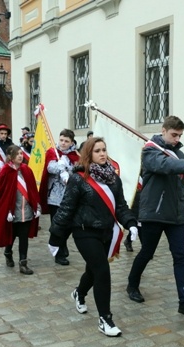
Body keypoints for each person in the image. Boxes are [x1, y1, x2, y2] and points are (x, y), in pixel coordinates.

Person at [50, 136, 138, 336]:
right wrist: (55, 237)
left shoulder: (113, 178)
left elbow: (121, 206)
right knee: (102, 271)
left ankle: (79, 293)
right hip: (83, 231)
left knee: (93, 270)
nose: (102, 154)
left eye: (104, 150)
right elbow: (66, 208)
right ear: (88, 154)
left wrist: (131, 223)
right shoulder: (78, 178)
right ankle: (105, 319)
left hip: (106, 231)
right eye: (97, 150)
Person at [125, 116, 184, 317]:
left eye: (180, 135)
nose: (177, 139)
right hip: (154, 213)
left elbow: (178, 179)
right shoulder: (150, 150)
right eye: (174, 134)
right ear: (163, 130)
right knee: (147, 252)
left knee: (181, 257)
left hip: (176, 214)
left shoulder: (179, 154)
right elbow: (163, 165)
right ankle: (132, 285)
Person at [0, 145, 41, 275]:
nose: (20, 156)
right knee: (11, 236)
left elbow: (33, 190)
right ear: (10, 157)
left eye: (21, 153)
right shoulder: (5, 171)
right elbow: (1, 194)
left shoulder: (27, 170)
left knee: (23, 238)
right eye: (17, 154)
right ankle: (8, 252)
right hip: (12, 212)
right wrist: (6, 211)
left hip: (26, 211)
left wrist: (37, 207)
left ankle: (23, 263)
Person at [39, 129, 80, 265]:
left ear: (71, 142)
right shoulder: (53, 152)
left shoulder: (75, 155)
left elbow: (79, 169)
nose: (63, 143)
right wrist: (60, 166)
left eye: (66, 141)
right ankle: (59, 253)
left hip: (70, 196)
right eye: (61, 140)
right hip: (55, 196)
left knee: (69, 224)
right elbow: (50, 168)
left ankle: (62, 244)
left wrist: (69, 170)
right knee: (57, 224)